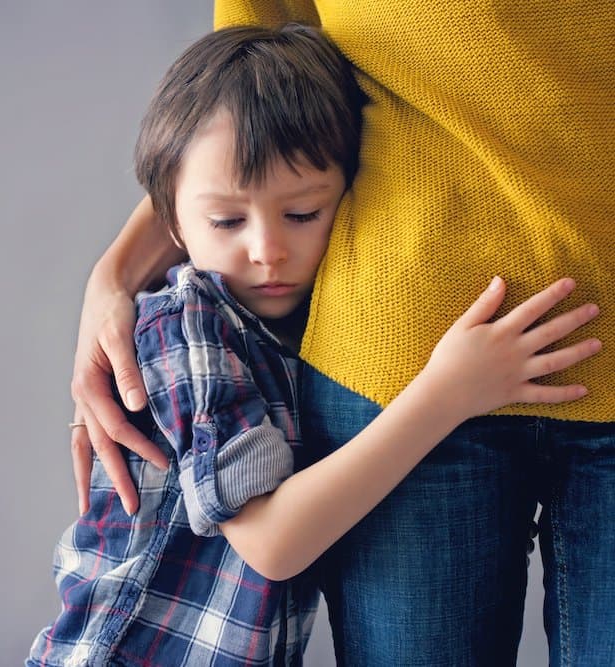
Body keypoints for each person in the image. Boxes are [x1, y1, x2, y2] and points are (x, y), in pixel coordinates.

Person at [29, 25, 601, 667]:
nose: (267, 250)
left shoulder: (278, 318)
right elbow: (272, 542)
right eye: (226, 221)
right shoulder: (186, 330)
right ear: (174, 226)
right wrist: (446, 394)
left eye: (302, 214)